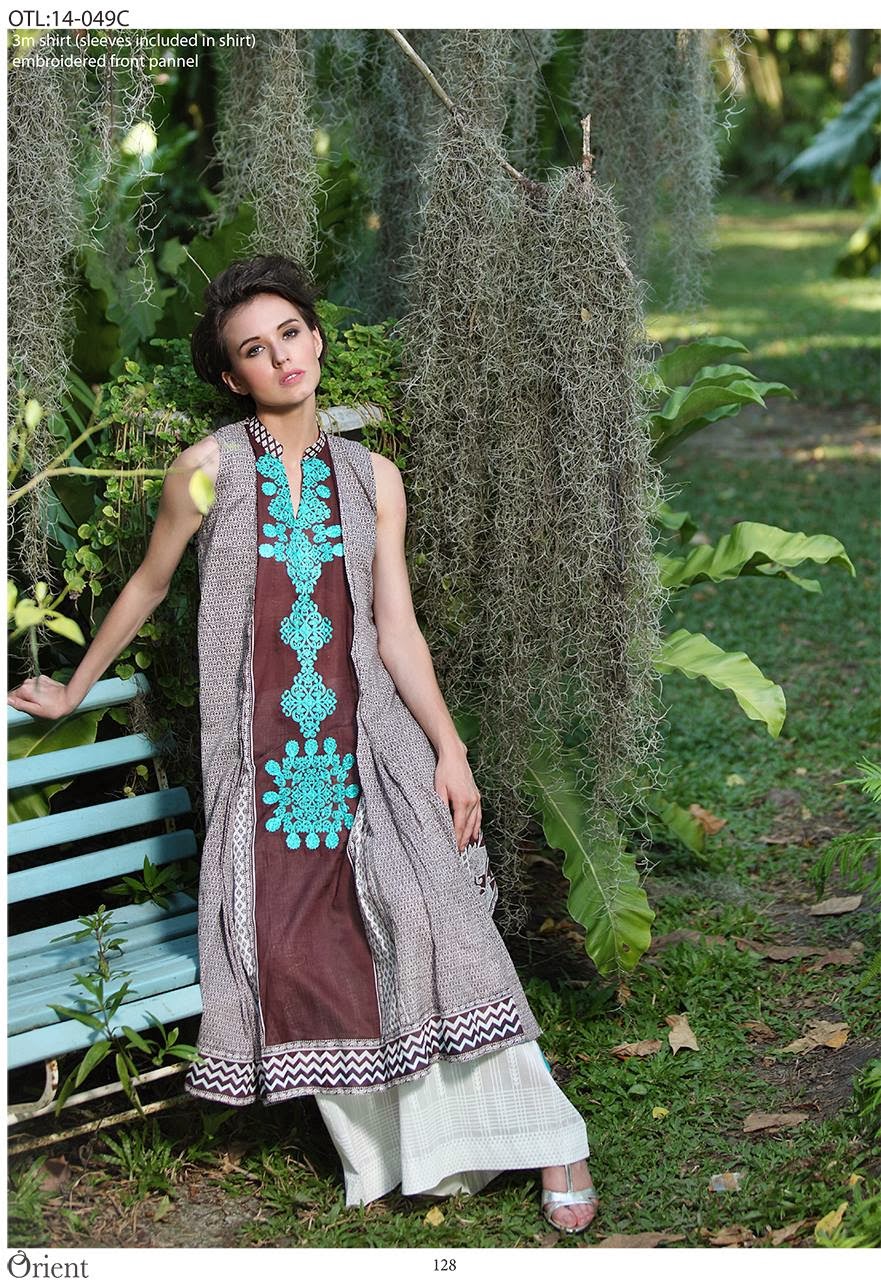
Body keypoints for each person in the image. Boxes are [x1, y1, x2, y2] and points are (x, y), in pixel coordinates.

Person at [7, 255, 598, 1234]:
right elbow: (150, 583)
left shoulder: (373, 478)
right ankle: (411, 1151)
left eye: (290, 333)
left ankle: (550, 1135)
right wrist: (71, 688)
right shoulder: (204, 470)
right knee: (290, 946)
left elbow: (396, 629)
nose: (280, 355)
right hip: (264, 771)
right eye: (254, 348)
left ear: (316, 339)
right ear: (231, 375)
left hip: (375, 752)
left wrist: (449, 750)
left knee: (436, 915)